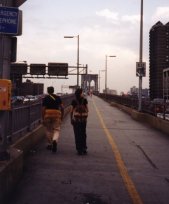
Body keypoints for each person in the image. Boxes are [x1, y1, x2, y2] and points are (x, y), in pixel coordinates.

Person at [42, 86, 64, 152]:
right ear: (53, 91)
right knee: (56, 129)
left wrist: (43, 118)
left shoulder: (45, 98)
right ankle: (54, 140)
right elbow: (62, 107)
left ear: (48, 91)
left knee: (48, 130)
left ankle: (49, 144)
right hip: (56, 115)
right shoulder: (58, 98)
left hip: (47, 114)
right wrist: (62, 116)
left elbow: (43, 109)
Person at [70, 88, 88, 155]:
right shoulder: (84, 100)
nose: (83, 93)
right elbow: (87, 110)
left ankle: (79, 149)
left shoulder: (74, 101)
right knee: (83, 134)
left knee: (77, 134)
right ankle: (84, 148)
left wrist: (71, 119)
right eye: (82, 92)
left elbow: (71, 111)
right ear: (81, 93)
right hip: (83, 120)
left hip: (76, 120)